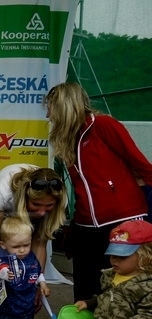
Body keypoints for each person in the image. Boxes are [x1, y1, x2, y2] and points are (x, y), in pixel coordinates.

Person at [45, 82, 152, 306]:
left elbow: (141, 164)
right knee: (85, 290)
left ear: (64, 106)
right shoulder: (68, 141)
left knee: (122, 286)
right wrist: (75, 227)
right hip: (86, 225)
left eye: (50, 108)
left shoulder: (103, 125)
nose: (48, 115)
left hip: (122, 218)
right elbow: (81, 188)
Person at [0, 164, 67, 275]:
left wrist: (37, 278)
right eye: (36, 204)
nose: (42, 212)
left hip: (21, 205)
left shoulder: (61, 199)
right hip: (5, 201)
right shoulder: (3, 192)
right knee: (7, 238)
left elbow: (40, 242)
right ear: (25, 197)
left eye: (49, 205)